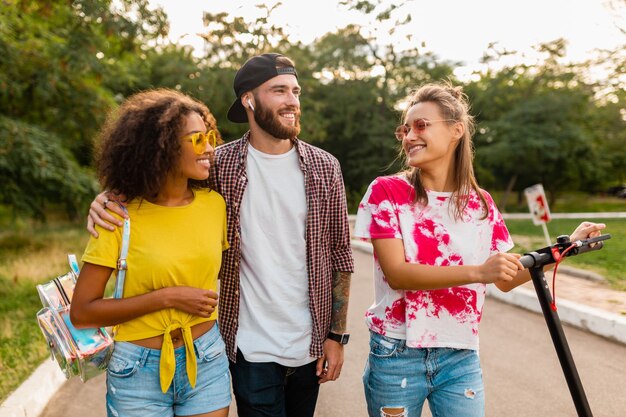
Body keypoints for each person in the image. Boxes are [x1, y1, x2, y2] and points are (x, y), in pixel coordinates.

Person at [87, 53, 355, 417]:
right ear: (249, 99)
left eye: (296, 91)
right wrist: (108, 196)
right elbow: (159, 173)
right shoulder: (219, 165)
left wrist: (336, 337)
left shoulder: (325, 167)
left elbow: (341, 253)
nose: (292, 100)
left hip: (309, 343)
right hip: (248, 345)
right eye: (279, 90)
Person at [353, 82, 606, 417]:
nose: (409, 136)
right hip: (397, 351)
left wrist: (565, 249)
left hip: (460, 355)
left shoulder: (481, 203)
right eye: (405, 128)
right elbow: (398, 274)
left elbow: (503, 279)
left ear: (457, 130)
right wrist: (478, 272)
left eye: (421, 125)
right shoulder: (388, 192)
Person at [72, 89, 231, 417]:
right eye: (197, 138)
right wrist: (168, 297)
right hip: (137, 370)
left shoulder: (215, 206)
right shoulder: (117, 215)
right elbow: (83, 312)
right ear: (160, 145)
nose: (210, 148)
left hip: (207, 359)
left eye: (210, 136)